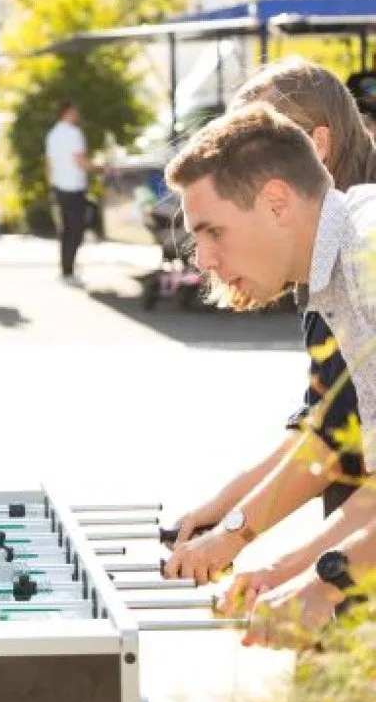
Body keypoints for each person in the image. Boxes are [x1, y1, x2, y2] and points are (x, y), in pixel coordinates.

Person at [161, 100, 376, 645]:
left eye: (213, 231)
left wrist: (325, 583)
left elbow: (327, 444)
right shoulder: (336, 275)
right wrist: (290, 568)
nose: (202, 259)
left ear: (276, 202)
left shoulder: (366, 254)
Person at [45, 100, 89, 285]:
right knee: (75, 229)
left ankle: (66, 267)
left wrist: (51, 186)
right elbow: (80, 160)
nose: (77, 114)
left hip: (59, 186)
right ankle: (69, 269)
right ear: (67, 112)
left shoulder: (53, 134)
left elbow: (49, 163)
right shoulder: (74, 133)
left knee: (65, 229)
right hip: (74, 186)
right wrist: (99, 168)